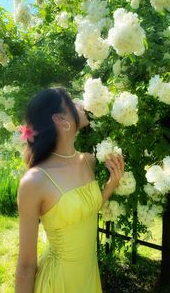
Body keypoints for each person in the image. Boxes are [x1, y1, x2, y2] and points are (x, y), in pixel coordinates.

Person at [15, 87, 125, 293]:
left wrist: (111, 185)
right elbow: (26, 264)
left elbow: (84, 210)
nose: (80, 104)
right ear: (60, 120)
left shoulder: (88, 161)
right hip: (58, 282)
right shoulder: (34, 181)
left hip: (88, 276)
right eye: (72, 102)